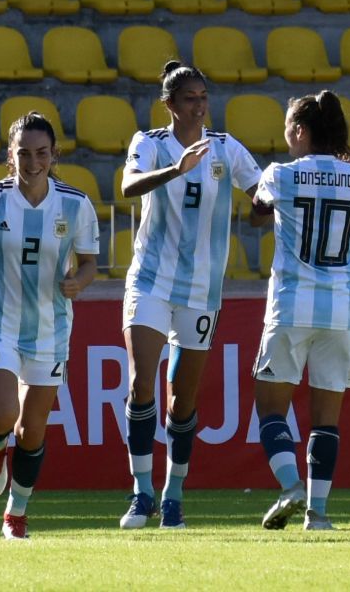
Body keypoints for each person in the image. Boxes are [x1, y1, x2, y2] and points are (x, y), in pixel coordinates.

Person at [118, 61, 262, 529]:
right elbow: (127, 186)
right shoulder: (150, 143)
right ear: (169, 105)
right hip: (151, 280)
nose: (199, 106)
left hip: (203, 289)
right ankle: (141, 493)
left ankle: (173, 493)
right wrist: (174, 171)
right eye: (189, 98)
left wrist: (275, 200)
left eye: (203, 97)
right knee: (142, 383)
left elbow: (260, 200)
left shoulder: (227, 149)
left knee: (182, 398)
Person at [0, 112, 100, 540]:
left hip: (50, 329)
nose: (34, 162)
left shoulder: (76, 204)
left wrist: (79, 281)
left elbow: (89, 264)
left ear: (54, 155)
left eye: (42, 153)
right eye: (24, 153)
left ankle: (16, 513)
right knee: (2, 414)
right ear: (10, 157)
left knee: (32, 430)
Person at [249, 90, 350, 531]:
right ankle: (319, 513)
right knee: (327, 417)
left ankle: (291, 484)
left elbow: (256, 214)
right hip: (341, 308)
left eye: (289, 129)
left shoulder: (281, 174)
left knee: (272, 409)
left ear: (300, 130)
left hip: (292, 303)